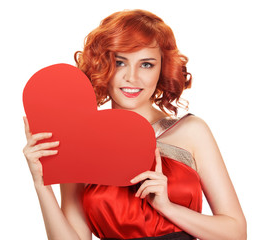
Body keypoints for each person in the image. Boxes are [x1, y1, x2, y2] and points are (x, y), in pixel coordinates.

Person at [22, 9, 246, 240]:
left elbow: (236, 233)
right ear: (102, 66)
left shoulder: (191, 132)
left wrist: (167, 207)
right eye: (120, 62)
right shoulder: (79, 143)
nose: (132, 77)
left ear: (162, 68)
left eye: (146, 64)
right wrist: (42, 184)